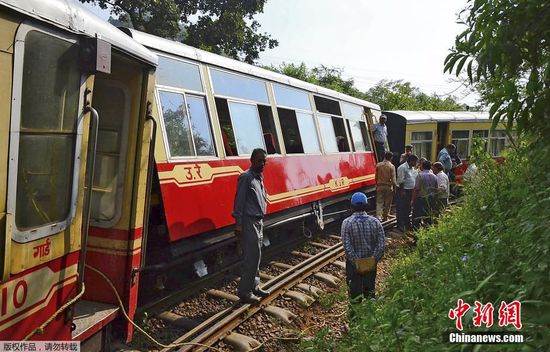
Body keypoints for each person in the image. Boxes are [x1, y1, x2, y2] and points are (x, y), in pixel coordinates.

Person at [232, 148, 269, 303]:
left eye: (264, 161)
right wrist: (238, 223)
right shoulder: (246, 177)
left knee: (257, 255)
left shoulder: (259, 177)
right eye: (259, 160)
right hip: (249, 221)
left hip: (258, 221)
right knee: (251, 256)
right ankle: (245, 291)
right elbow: (239, 201)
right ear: (252, 160)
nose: (262, 164)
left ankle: (254, 285)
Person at [341, 192, 385, 300]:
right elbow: (381, 244)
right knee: (370, 291)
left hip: (354, 265)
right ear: (366, 205)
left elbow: (347, 246)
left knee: (354, 294)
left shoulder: (346, 223)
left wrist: (356, 262)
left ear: (351, 206)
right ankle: (371, 314)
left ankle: (356, 316)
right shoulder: (375, 222)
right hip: (371, 263)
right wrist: (373, 260)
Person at [411, 159, 439, 229]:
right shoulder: (434, 176)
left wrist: (412, 200)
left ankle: (417, 233)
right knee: (428, 217)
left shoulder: (419, 176)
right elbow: (436, 190)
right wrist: (435, 200)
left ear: (422, 166)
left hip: (420, 199)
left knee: (417, 217)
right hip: (430, 199)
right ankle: (428, 232)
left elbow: (416, 189)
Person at [396, 154, 418, 232]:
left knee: (408, 208)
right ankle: (400, 225)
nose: (416, 164)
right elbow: (401, 180)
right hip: (404, 190)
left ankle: (407, 223)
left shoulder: (412, 168)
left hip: (410, 191)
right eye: (415, 162)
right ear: (411, 161)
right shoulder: (402, 168)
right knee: (401, 208)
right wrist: (402, 191)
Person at [375, 151, 396, 222]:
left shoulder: (378, 165)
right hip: (388, 187)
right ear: (391, 158)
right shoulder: (391, 166)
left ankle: (378, 216)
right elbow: (393, 179)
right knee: (388, 202)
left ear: (384, 156)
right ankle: (385, 217)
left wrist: (377, 184)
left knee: (379, 202)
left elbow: (376, 177)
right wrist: (395, 187)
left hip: (380, 186)